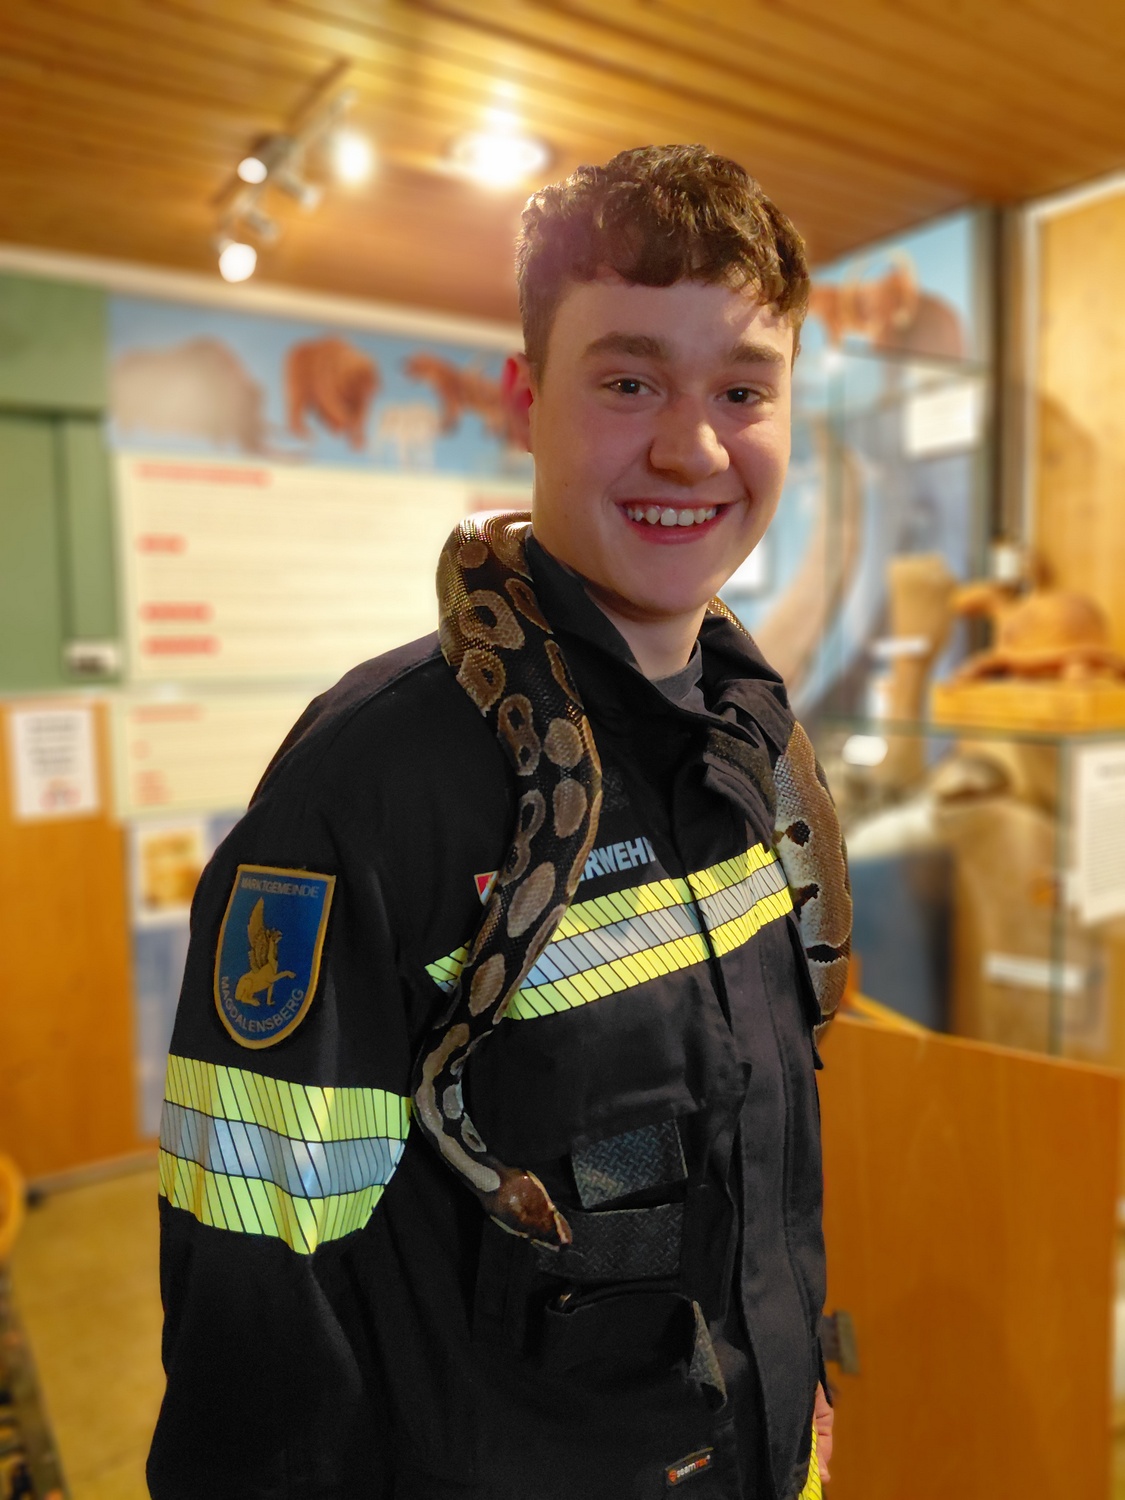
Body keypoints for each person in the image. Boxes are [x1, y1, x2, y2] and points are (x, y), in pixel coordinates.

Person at [148, 143, 844, 1500]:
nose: (692, 446)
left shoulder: (751, 741)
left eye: (743, 389)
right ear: (527, 401)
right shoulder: (363, 791)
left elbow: (757, 1151)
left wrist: (793, 1385)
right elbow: (253, 1317)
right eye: (629, 380)